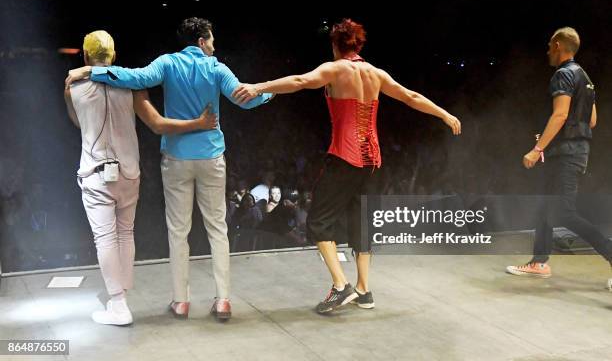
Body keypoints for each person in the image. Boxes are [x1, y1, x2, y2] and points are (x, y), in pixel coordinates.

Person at [233, 19, 461, 313]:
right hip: (371, 161)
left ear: (335, 45)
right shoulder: (376, 74)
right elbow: (411, 96)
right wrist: (444, 114)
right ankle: (364, 291)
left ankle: (341, 286)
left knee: (317, 221)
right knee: (360, 222)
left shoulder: (337, 69)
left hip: (344, 157)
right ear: (359, 45)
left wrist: (258, 87)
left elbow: (301, 81)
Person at [66, 18, 273, 321]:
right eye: (212, 39)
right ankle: (223, 300)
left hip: (176, 157)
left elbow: (134, 77)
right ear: (202, 41)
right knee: (218, 228)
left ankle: (181, 302)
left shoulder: (166, 63)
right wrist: (270, 93)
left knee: (178, 231)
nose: (214, 45)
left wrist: (91, 70)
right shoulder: (216, 68)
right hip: (211, 156)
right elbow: (244, 100)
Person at [64, 30, 216, 325]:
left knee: (105, 237)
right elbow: (158, 125)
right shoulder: (132, 88)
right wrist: (199, 123)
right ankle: (122, 295)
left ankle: (118, 304)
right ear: (114, 57)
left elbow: (77, 123)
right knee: (125, 233)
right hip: (129, 171)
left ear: (85, 57)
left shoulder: (72, 89)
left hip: (96, 173)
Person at [507, 27, 612, 284]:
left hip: (566, 155)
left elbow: (561, 115)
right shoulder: (585, 78)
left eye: (548, 46)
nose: (547, 51)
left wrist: (537, 148)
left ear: (557, 45)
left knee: (563, 212)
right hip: (573, 153)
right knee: (546, 205)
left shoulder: (563, 75)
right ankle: (539, 262)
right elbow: (593, 120)